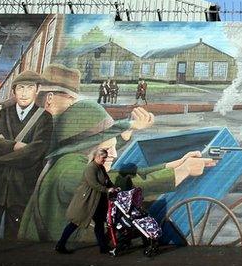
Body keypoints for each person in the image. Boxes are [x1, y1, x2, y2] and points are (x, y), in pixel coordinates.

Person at [18, 99, 163, 242]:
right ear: (87, 147)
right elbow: (118, 183)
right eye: (107, 149)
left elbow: (101, 148)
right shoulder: (70, 169)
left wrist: (125, 132)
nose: (115, 154)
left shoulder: (70, 158)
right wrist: (174, 173)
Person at [0, 71, 53, 239]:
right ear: (14, 91)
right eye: (20, 88)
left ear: (37, 90)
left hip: (22, 190)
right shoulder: (3, 114)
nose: (24, 93)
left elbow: (34, 153)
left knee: (15, 240)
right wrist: (15, 145)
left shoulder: (44, 118)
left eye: (29, 88)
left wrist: (0, 153)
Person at [55, 147, 117, 254]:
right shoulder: (90, 168)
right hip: (86, 201)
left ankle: (103, 247)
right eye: (103, 158)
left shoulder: (101, 168)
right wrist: (107, 190)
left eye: (105, 158)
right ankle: (60, 245)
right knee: (75, 223)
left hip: (97, 202)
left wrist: (114, 187)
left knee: (99, 224)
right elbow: (93, 184)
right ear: (97, 157)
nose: (105, 160)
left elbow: (107, 181)